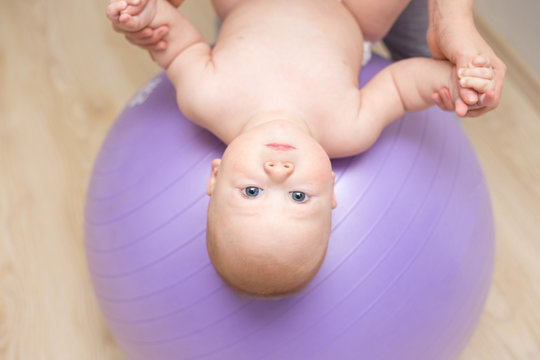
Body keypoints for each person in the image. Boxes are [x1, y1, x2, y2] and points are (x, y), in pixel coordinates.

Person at [106, 0, 495, 298]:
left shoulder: (204, 97)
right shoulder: (348, 127)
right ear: (328, 187)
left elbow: (176, 44)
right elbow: (401, 86)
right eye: (297, 196)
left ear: (216, 173)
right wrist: (452, 82)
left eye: (252, 191)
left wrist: (146, 14)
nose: (277, 171)